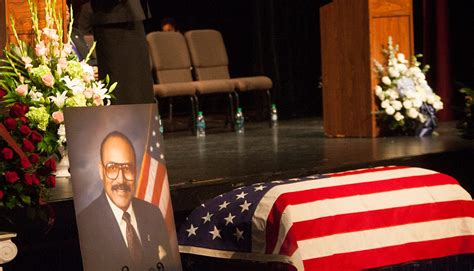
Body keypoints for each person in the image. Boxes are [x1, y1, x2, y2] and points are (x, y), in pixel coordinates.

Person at [77, 131, 171, 270]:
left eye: (127, 168)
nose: (121, 180)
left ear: (136, 171)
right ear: (100, 170)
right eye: (112, 168)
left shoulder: (153, 213)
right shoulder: (85, 223)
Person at [84, 0, 155, 105]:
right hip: (111, 16)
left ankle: (142, 119)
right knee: (120, 85)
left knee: (138, 82)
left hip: (131, 13)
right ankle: (124, 120)